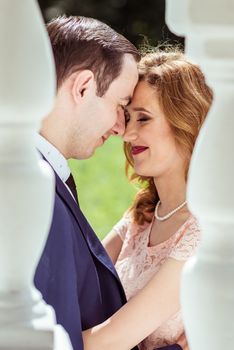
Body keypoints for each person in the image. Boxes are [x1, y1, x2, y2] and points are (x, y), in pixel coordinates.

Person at [34, 16, 179, 350]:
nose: (120, 129)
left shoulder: (46, 179)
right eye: (121, 105)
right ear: (83, 87)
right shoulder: (34, 188)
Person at [82, 49, 213, 350]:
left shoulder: (204, 230)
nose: (127, 133)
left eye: (143, 118)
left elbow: (109, 341)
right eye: (128, 117)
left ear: (187, 122)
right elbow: (80, 288)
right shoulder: (141, 216)